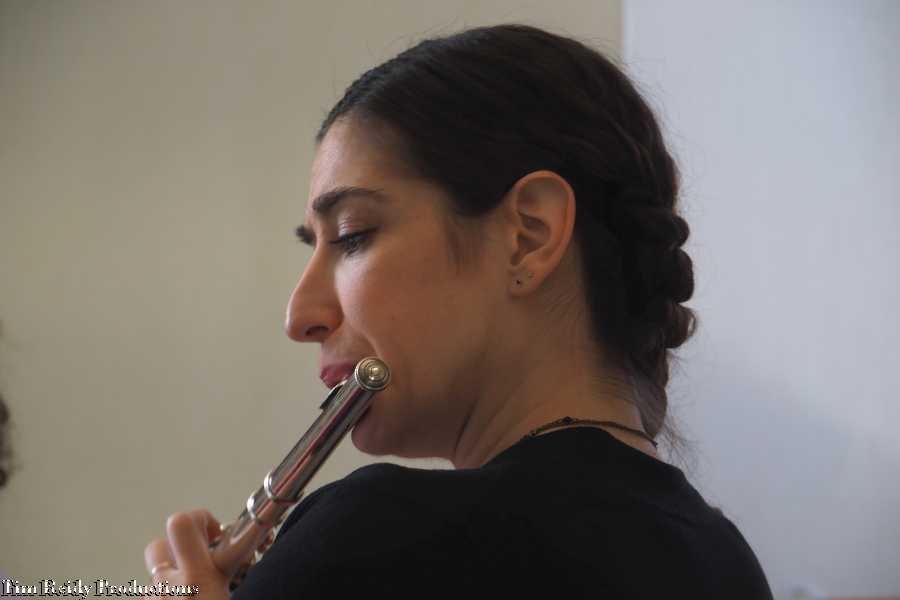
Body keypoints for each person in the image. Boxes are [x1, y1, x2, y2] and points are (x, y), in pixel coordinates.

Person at [143, 24, 774, 599]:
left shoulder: (373, 538)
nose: (299, 315)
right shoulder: (726, 561)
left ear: (528, 234)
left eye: (354, 235)